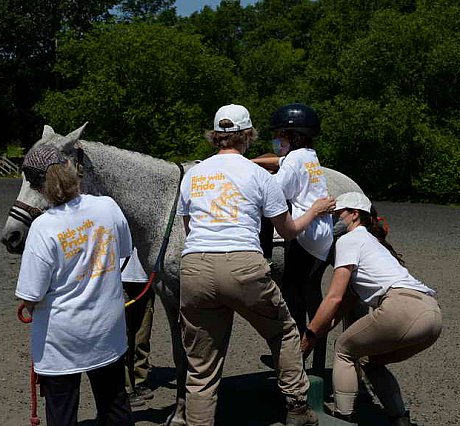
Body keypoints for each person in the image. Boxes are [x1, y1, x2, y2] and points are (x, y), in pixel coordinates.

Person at [177, 104, 336, 426]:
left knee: (202, 366)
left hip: (195, 266)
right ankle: (297, 408)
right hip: (242, 265)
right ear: (247, 136)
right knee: (284, 334)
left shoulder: (193, 174)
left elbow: (188, 229)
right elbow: (288, 231)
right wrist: (315, 211)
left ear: (215, 137)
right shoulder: (258, 175)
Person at [15, 145, 134, 426]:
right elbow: (125, 252)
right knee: (115, 404)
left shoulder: (43, 227)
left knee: (62, 411)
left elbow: (30, 295)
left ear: (37, 186)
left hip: (63, 341)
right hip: (108, 330)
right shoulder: (107, 205)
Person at [300, 192, 443, 426]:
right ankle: (399, 418)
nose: (333, 220)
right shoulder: (374, 244)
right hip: (432, 315)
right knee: (371, 360)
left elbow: (334, 298)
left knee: (344, 349)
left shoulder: (349, 240)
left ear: (354, 215)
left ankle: (343, 418)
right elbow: (345, 304)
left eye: (337, 214)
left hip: (401, 308)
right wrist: (321, 329)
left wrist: (309, 337)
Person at [253, 103, 333, 373]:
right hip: (319, 236)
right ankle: (307, 350)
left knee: (292, 295)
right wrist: (254, 163)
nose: (276, 140)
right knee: (305, 291)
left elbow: (272, 192)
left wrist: (254, 175)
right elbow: (280, 165)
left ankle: (296, 352)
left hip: (305, 236)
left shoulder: (295, 159)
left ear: (293, 136)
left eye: (280, 135)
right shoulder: (309, 155)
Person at [121, 247, 155, 408]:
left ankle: (140, 379)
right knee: (123, 337)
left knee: (143, 336)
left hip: (146, 279)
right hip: (121, 278)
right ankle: (125, 387)